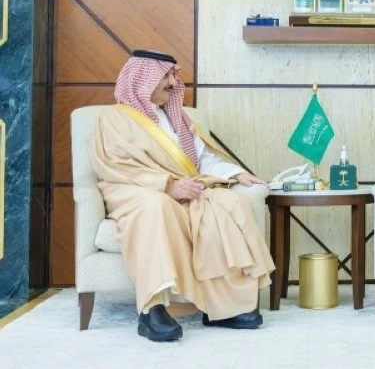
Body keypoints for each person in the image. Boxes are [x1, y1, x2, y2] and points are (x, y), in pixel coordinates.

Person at [91, 50, 275, 342]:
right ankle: (152, 309)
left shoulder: (176, 117)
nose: (174, 83)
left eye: (173, 75)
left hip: (184, 187)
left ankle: (223, 307)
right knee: (157, 206)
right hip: (135, 190)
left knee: (231, 203)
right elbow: (116, 166)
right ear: (142, 79)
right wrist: (167, 186)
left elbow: (200, 161)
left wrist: (236, 174)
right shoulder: (115, 117)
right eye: (165, 76)